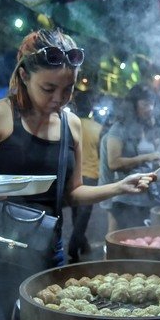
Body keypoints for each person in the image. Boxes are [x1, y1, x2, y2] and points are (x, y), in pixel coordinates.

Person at [0, 28, 152, 320]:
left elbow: (73, 193)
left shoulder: (71, 124)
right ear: (24, 75)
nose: (59, 99)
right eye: (48, 88)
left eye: (68, 89)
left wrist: (119, 186)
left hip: (47, 250)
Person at [99, 84, 160, 232]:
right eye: (145, 104)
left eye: (152, 104)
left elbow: (147, 159)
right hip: (124, 198)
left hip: (144, 195)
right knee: (123, 241)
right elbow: (113, 163)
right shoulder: (119, 129)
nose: (150, 108)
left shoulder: (144, 128)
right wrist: (148, 157)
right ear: (133, 105)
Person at [67, 91, 102, 263]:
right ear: (90, 109)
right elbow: (101, 155)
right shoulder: (97, 128)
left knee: (76, 213)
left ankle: (83, 245)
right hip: (91, 175)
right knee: (84, 215)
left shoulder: (69, 124)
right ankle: (73, 247)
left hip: (73, 174)